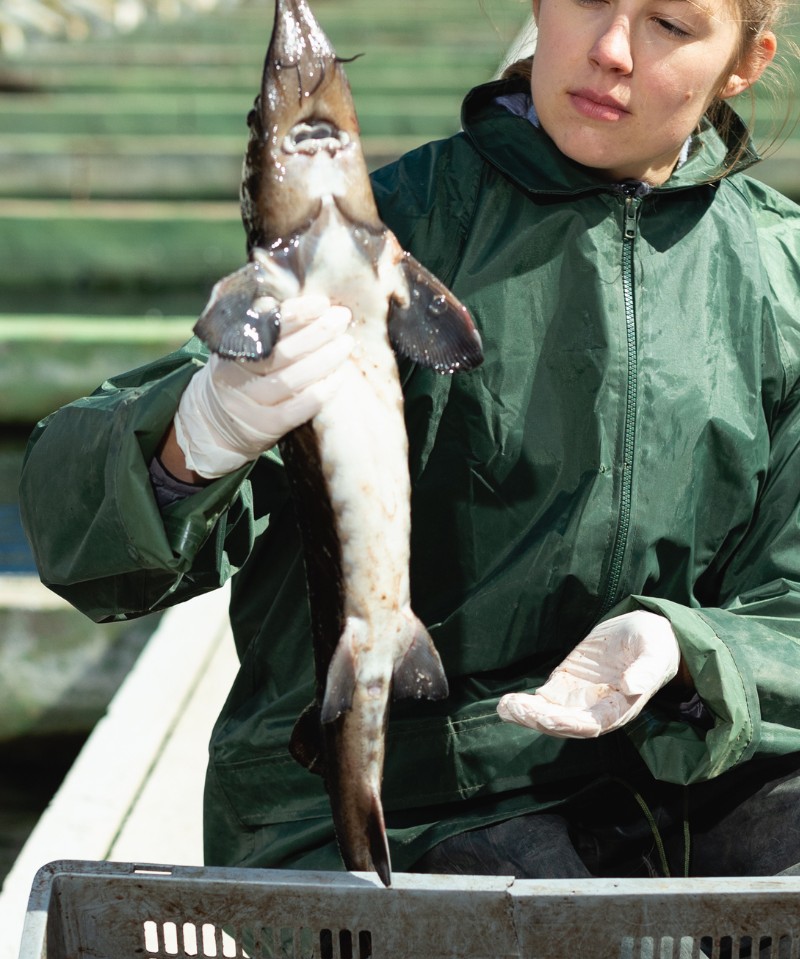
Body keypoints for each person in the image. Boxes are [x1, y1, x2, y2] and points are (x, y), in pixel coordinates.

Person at [19, 0, 800, 882]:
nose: (611, 50)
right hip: (410, 802)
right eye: (587, 0)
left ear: (745, 61)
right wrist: (189, 440)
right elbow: (80, 541)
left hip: (687, 773)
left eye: (670, 23)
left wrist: (692, 650)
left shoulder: (782, 274)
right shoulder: (383, 226)